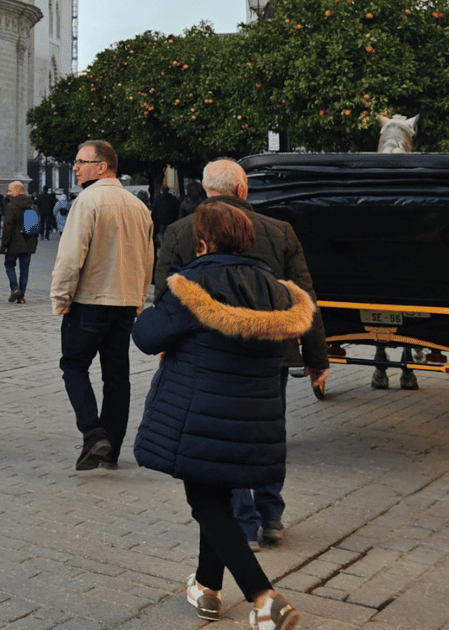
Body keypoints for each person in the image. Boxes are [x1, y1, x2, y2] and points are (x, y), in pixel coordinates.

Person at [132, 202, 313, 630]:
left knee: (206, 503)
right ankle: (208, 589)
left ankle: (264, 597)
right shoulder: (277, 289)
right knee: (216, 499)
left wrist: (149, 312)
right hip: (254, 418)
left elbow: (147, 336)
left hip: (200, 415)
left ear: (202, 241)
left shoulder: (192, 283)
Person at [155, 158, 329, 550]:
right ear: (244, 189)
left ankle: (242, 519)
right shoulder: (280, 230)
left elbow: (164, 292)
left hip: (210, 351)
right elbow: (306, 295)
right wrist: (316, 356)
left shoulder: (182, 231)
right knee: (268, 427)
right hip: (273, 350)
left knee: (223, 434)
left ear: (203, 189)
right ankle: (272, 514)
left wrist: (168, 343)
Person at [50, 140, 154, 471]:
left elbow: (70, 256)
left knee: (73, 365)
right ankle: (112, 448)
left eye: (82, 161)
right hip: (124, 301)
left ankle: (93, 431)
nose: (76, 167)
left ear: (102, 166)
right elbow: (147, 258)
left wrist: (61, 297)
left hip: (90, 301)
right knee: (117, 375)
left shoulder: (88, 201)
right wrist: (138, 298)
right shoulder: (137, 205)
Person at [0, 181, 37, 303]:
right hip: (28, 243)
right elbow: (36, 227)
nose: (8, 193)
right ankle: (21, 297)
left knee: (9, 265)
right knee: (24, 270)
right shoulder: (33, 205)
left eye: (10, 190)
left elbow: (7, 227)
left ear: (18, 190)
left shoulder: (11, 206)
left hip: (13, 243)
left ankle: (14, 288)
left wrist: (4, 244)